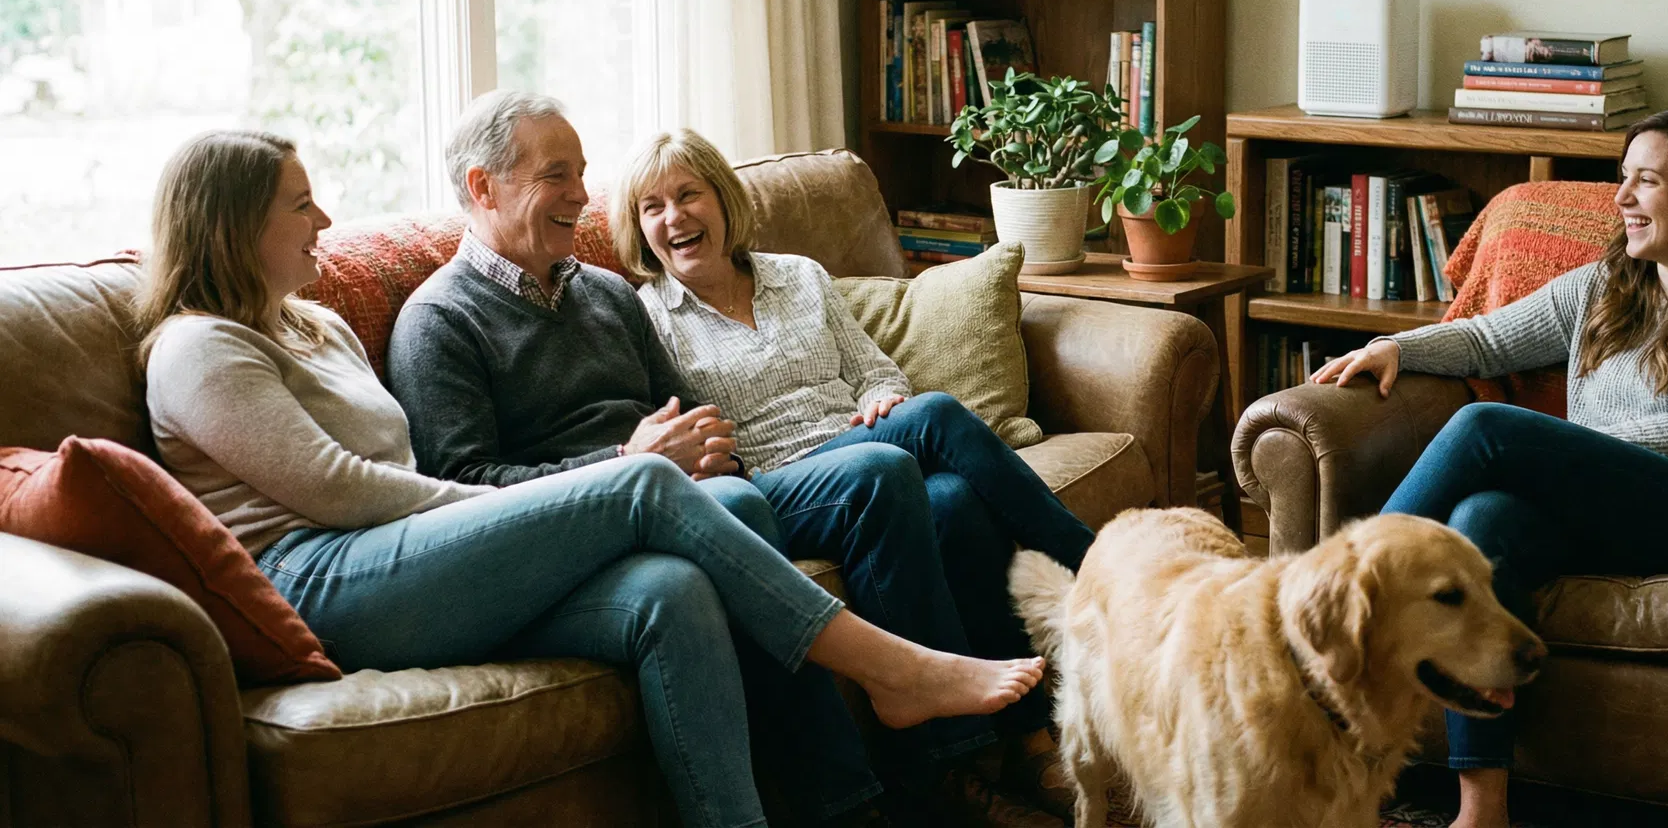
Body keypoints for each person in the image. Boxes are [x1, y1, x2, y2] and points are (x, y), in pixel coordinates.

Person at [140, 128, 1043, 828]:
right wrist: (539, 507)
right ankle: (899, 671)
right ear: (233, 220)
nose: (324, 223)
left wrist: (540, 517)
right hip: (324, 576)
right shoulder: (197, 348)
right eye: (302, 205)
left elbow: (404, 466)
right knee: (645, 487)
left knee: (670, 591)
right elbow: (344, 489)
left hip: (416, 557)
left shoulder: (317, 326)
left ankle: (831, 810)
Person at [1309, 107, 1668, 828]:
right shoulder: (1609, 286)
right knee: (1483, 524)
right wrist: (1400, 347)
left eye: (1646, 181)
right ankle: (1483, 811)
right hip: (1616, 507)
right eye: (1622, 179)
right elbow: (1486, 339)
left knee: (1489, 429)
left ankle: (1333, 586)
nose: (1622, 199)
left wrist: (1558, 455)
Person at [609, 127, 1100, 820]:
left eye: (688, 194)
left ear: (722, 197)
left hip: (866, 459)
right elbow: (685, 446)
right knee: (930, 420)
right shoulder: (646, 320)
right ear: (639, 230)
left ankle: (1010, 745)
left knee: (954, 499)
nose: (675, 217)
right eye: (651, 207)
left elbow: (873, 372)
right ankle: (1106, 572)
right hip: (772, 488)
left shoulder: (798, 276)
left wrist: (876, 400)